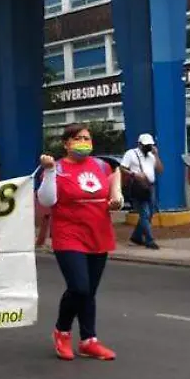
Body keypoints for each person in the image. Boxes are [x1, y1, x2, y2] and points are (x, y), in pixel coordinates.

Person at [37, 124, 123, 361]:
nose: (83, 142)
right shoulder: (58, 168)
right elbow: (46, 199)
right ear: (66, 143)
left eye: (87, 138)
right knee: (79, 287)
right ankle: (61, 331)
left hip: (98, 232)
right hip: (69, 234)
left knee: (90, 291)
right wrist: (50, 171)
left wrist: (117, 197)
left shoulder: (100, 165)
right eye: (77, 138)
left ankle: (89, 340)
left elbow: (116, 173)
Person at [121, 133, 163, 250]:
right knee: (144, 214)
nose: (148, 147)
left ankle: (136, 237)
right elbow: (122, 168)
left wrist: (156, 155)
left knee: (150, 213)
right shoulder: (131, 154)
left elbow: (159, 170)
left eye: (150, 145)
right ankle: (149, 240)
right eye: (146, 145)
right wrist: (134, 174)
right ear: (139, 144)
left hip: (150, 186)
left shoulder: (151, 155)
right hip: (138, 186)